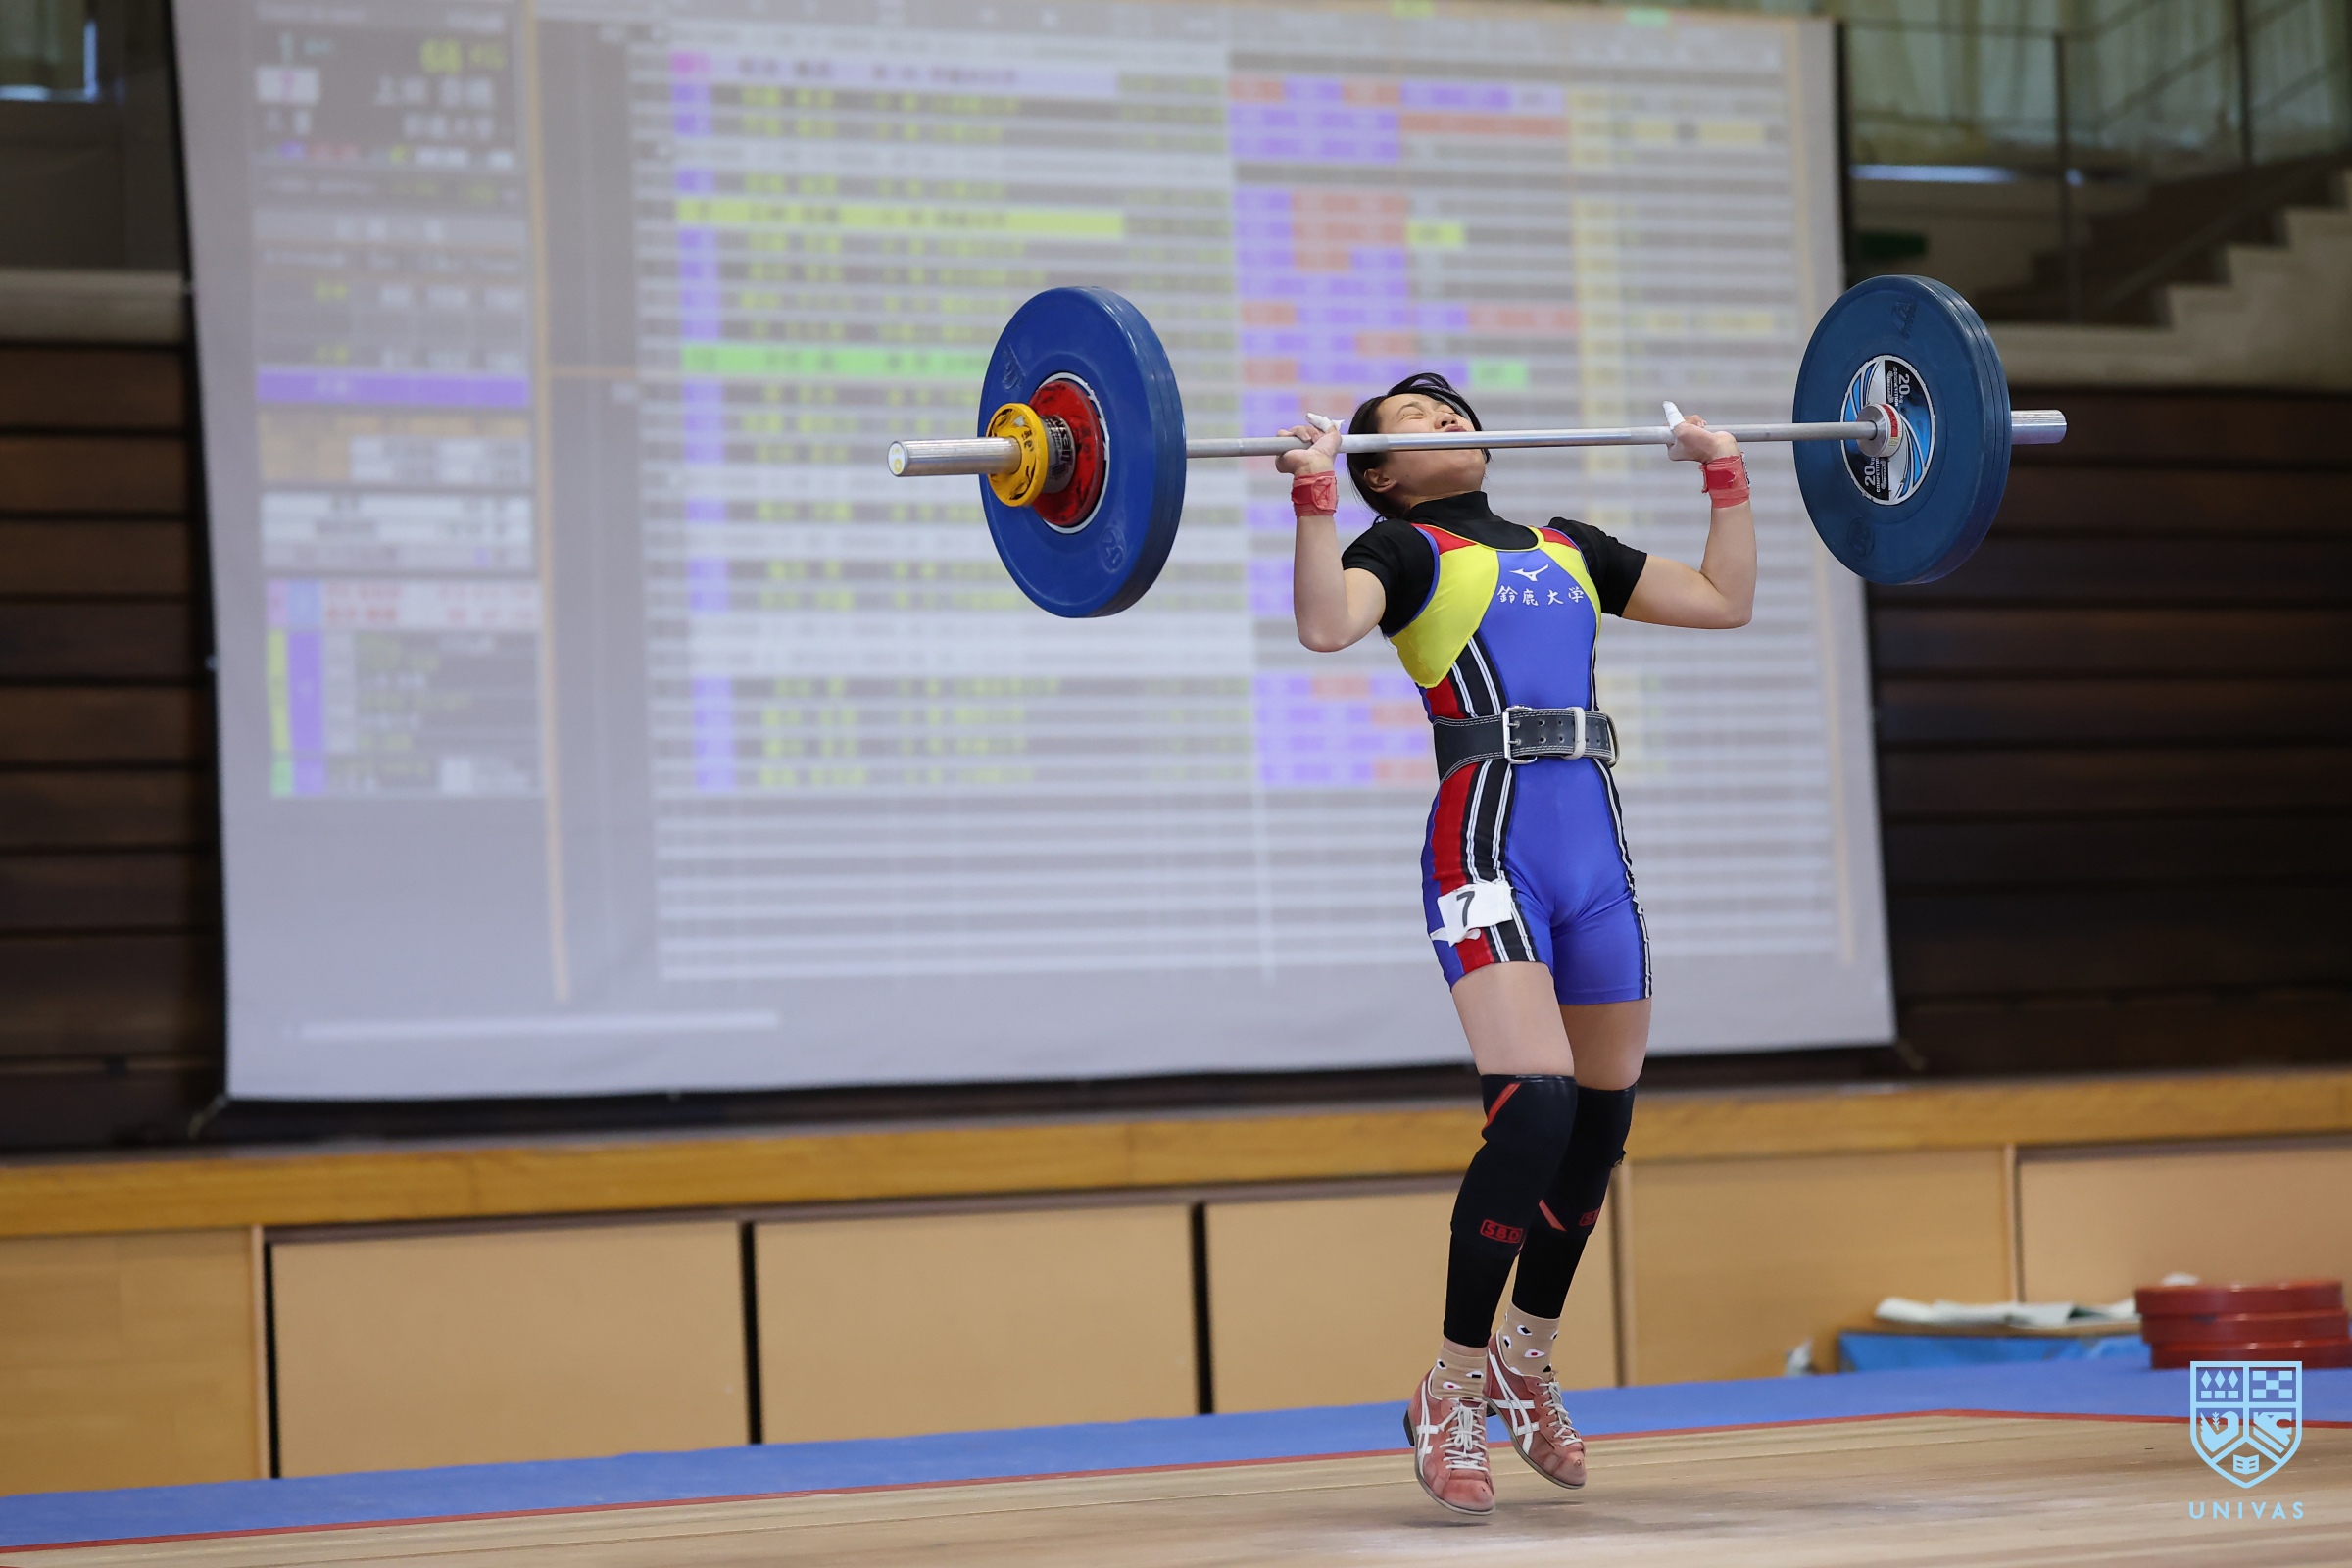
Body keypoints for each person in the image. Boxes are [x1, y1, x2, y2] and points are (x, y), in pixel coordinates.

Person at [1278, 373, 1754, 1516]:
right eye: (1415, 417)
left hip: (1595, 849)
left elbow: (1722, 600)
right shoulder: (1402, 549)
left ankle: (1524, 1359)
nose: (1447, 416)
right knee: (1535, 1105)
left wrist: (1725, 474)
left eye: (1453, 407)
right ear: (1383, 472)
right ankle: (1450, 1382)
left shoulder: (1569, 546)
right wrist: (1312, 499)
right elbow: (1325, 624)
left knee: (1599, 1120)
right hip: (1486, 841)